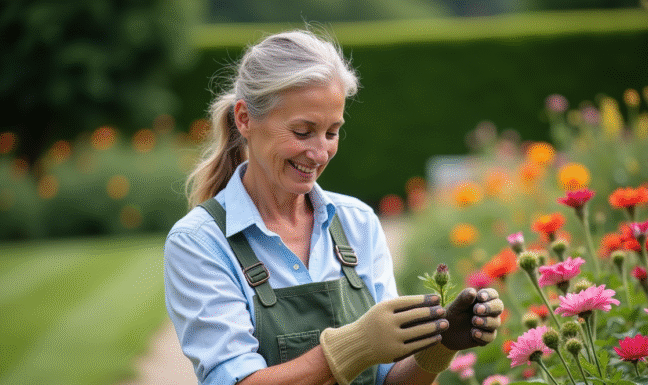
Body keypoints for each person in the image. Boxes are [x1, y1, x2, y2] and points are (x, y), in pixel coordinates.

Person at [164, 29, 504, 385]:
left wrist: (439, 348)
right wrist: (354, 346)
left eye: (331, 132)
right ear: (245, 119)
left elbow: (388, 379)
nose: (319, 152)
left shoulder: (357, 222)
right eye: (302, 131)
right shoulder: (200, 242)